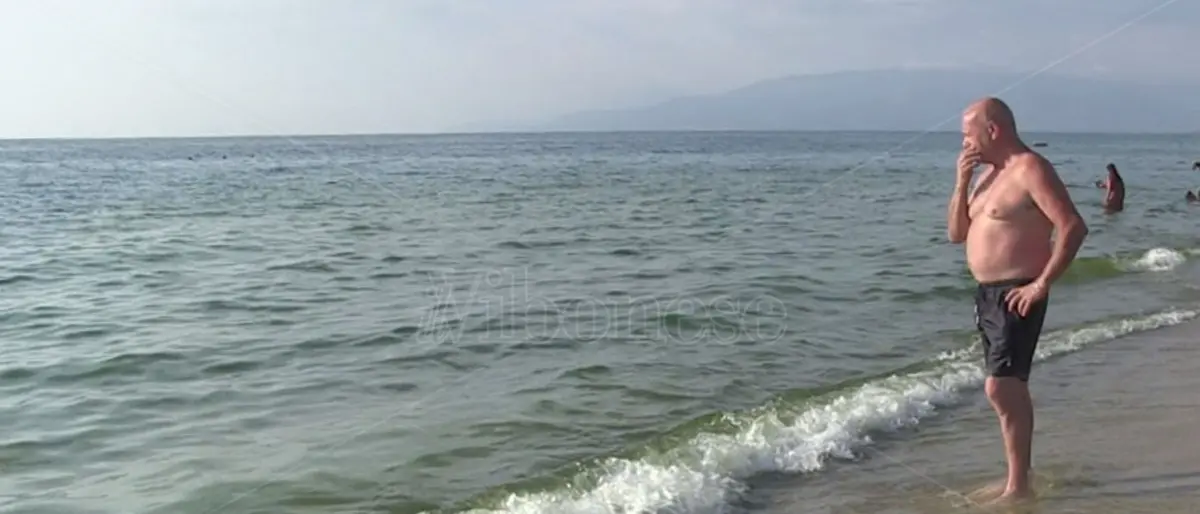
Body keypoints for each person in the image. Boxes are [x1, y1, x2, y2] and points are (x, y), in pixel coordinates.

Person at [945, 97, 1089, 503]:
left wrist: (1041, 284)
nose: (963, 143)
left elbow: (1073, 227)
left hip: (1017, 292)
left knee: (1001, 387)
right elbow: (957, 233)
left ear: (993, 130)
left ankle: (1018, 487)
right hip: (986, 296)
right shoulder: (985, 176)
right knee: (1006, 388)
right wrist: (961, 182)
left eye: (967, 133)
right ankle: (1017, 477)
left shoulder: (1030, 169)